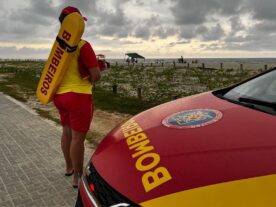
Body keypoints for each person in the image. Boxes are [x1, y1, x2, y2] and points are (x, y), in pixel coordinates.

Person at [53, 6, 101, 188]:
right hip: (79, 97)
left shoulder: (57, 47)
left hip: (60, 97)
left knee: (66, 133)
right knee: (77, 138)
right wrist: (100, 69)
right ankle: (78, 177)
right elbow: (95, 76)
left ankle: (69, 167)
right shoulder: (83, 45)